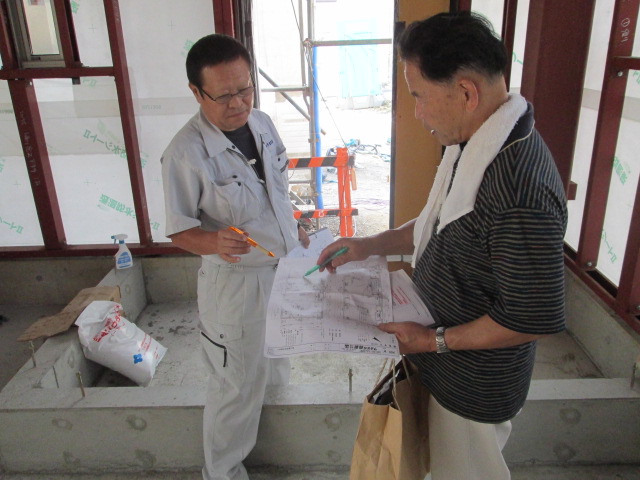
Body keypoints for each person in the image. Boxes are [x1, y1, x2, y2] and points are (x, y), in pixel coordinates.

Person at [317, 12, 567, 480]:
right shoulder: (477, 142)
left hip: (474, 386)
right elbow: (439, 223)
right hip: (441, 362)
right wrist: (369, 245)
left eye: (418, 96)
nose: (416, 113)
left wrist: (431, 341)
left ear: (466, 92)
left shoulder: (519, 189)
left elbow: (529, 319)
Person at [161, 34, 309, 480]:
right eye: (224, 95)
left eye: (245, 89)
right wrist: (214, 242)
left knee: (277, 368)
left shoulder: (262, 124)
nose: (239, 103)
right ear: (197, 92)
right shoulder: (185, 154)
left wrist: (294, 229)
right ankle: (222, 472)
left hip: (282, 271)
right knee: (236, 385)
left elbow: (275, 192)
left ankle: (271, 453)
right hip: (237, 286)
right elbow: (179, 230)